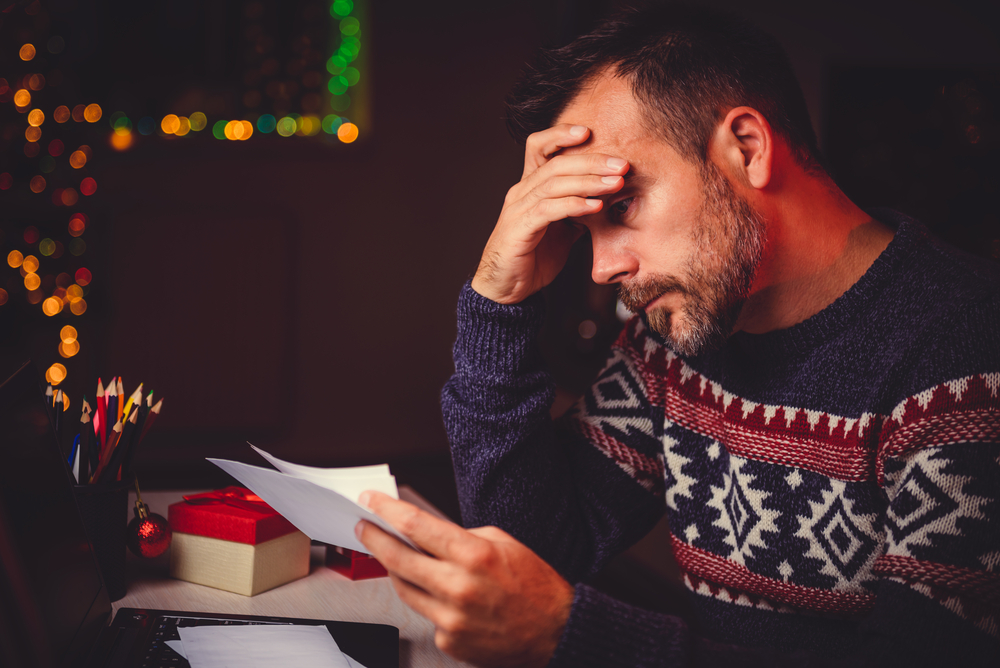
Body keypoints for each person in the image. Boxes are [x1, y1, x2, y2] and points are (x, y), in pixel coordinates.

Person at [356, 5, 1000, 666]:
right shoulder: (677, 334)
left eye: (621, 207)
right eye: (586, 233)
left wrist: (572, 636)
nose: (604, 270)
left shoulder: (970, 353)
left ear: (747, 148)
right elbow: (535, 548)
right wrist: (500, 300)